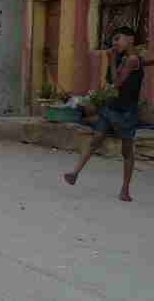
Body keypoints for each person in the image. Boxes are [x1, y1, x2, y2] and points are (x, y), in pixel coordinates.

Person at [64, 26, 142, 202]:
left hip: (126, 113)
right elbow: (111, 81)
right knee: (95, 140)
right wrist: (113, 59)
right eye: (113, 40)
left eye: (118, 39)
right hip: (111, 108)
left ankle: (125, 189)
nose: (114, 43)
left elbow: (117, 83)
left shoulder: (132, 60)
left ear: (130, 39)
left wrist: (112, 59)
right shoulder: (123, 57)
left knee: (126, 151)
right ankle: (74, 173)